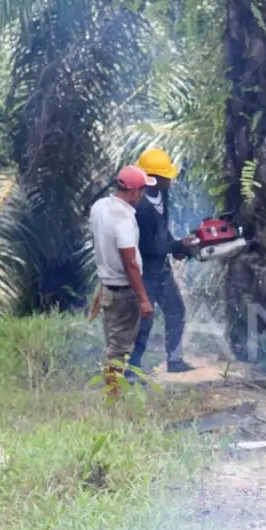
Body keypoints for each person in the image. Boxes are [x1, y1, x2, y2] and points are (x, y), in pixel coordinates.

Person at [127, 147, 196, 376]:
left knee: (176, 310)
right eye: (166, 176)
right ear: (153, 179)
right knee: (144, 321)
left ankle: (175, 360)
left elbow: (162, 232)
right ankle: (132, 371)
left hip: (162, 268)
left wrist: (175, 245)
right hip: (145, 272)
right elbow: (147, 246)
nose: (170, 179)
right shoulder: (140, 208)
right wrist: (176, 246)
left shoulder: (161, 195)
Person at [90, 166, 156, 395]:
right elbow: (130, 263)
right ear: (135, 192)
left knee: (114, 344)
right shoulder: (124, 221)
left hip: (106, 285)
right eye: (143, 190)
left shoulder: (99, 207)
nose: (144, 194)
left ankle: (116, 388)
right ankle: (113, 395)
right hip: (122, 292)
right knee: (119, 348)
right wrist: (144, 299)